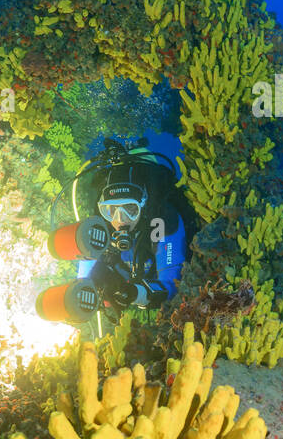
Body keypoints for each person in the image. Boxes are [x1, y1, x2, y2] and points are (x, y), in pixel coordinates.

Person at [35, 138, 187, 329]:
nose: (120, 218)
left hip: (146, 283)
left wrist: (134, 293)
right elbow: (85, 279)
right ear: (102, 210)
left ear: (144, 205)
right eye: (111, 210)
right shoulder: (100, 230)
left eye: (130, 209)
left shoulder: (161, 223)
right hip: (124, 279)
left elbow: (172, 286)